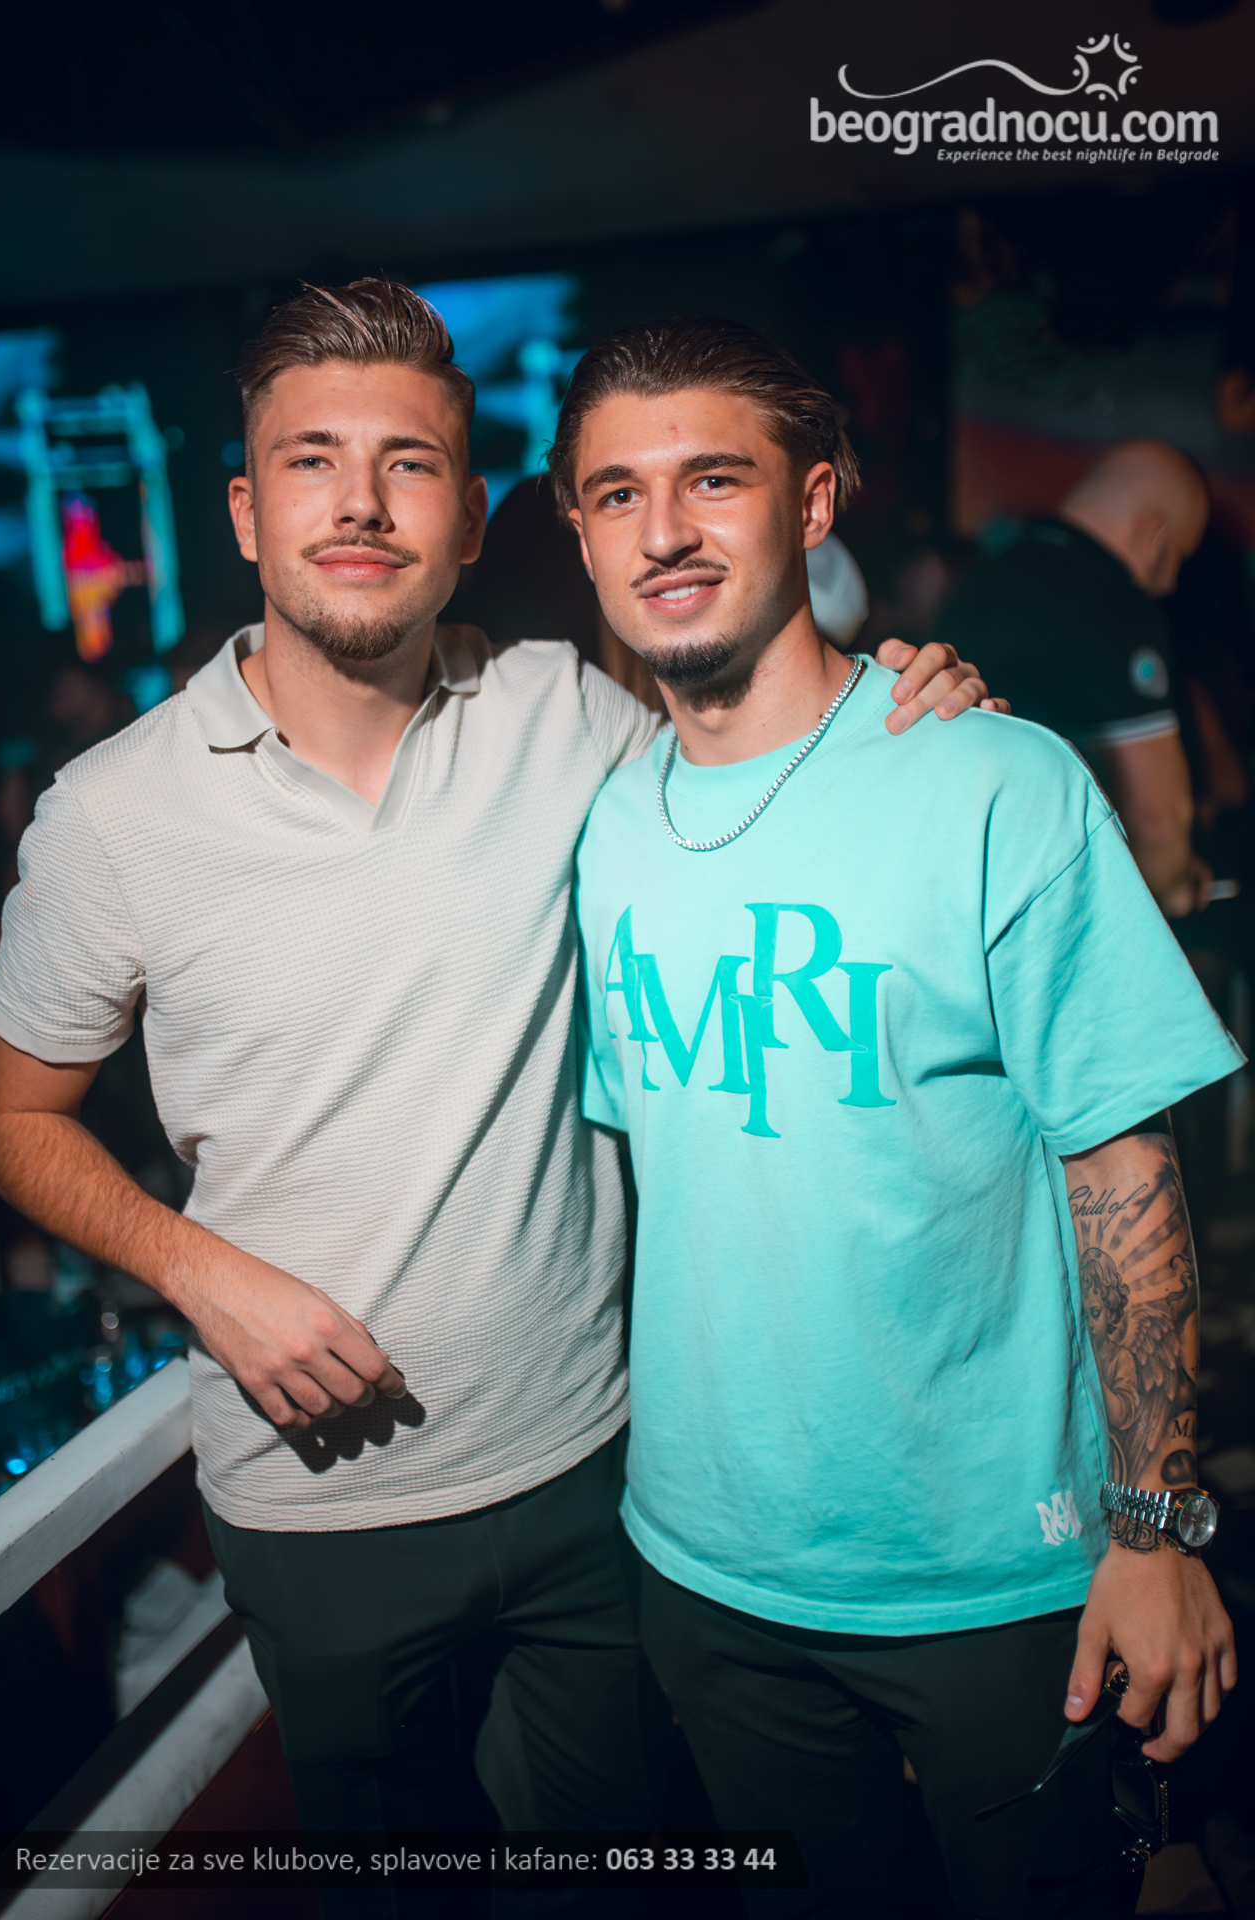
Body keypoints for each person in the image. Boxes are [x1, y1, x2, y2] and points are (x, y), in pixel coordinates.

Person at [0, 281, 997, 1902]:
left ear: (466, 520)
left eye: (409, 465)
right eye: (312, 461)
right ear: (244, 513)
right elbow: (10, 1118)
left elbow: (768, 741)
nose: (359, 504)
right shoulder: (112, 816)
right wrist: (201, 1273)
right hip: (316, 1510)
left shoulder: (566, 716)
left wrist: (908, 695)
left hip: (594, 1473)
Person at [561, 320, 1241, 1919]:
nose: (664, 533)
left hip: (997, 1578)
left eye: (713, 480)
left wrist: (1155, 1531)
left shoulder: (994, 780)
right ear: (580, 534)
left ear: (812, 502)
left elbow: (1124, 1170)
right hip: (706, 1573)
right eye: (618, 494)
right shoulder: (606, 826)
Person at [933, 441, 1210, 919]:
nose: (1169, 584)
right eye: (1177, 557)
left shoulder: (979, 578)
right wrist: (1172, 885)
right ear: (1155, 535)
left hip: (960, 883)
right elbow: (1156, 819)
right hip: (1055, 904)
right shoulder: (1114, 604)